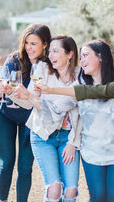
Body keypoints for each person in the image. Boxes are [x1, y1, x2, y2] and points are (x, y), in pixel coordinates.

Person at [35, 39, 114, 202]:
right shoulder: (80, 83)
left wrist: (50, 89)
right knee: (98, 197)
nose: (82, 60)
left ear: (100, 57)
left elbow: (99, 91)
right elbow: (56, 108)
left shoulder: (102, 86)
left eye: (86, 55)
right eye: (81, 56)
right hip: (92, 153)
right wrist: (27, 97)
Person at [0, 23, 52, 202]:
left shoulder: (48, 67)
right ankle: (3, 200)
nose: (28, 47)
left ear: (45, 44)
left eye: (34, 43)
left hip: (30, 119)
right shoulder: (13, 59)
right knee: (6, 162)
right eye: (26, 43)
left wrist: (10, 92)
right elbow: (2, 86)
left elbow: (33, 101)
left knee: (25, 167)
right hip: (5, 115)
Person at [14, 35, 81, 202]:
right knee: (54, 188)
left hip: (68, 138)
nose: (50, 55)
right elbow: (28, 103)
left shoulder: (80, 75)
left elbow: (71, 110)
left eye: (56, 51)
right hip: (43, 135)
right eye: (49, 51)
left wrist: (73, 142)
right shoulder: (43, 68)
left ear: (70, 54)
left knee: (71, 191)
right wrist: (10, 92)